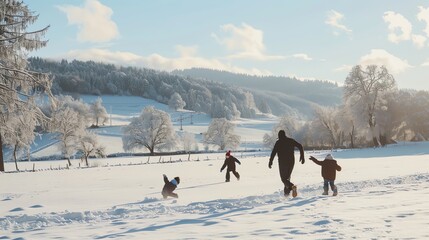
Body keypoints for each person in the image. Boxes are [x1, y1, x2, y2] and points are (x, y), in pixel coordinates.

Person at [269, 130, 305, 197]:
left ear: (279, 136)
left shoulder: (278, 142)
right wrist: (302, 156)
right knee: (287, 178)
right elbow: (300, 146)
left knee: (284, 179)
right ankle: (286, 195)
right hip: (291, 161)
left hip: (283, 162)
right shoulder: (290, 140)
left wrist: (270, 161)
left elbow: (273, 153)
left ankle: (292, 187)